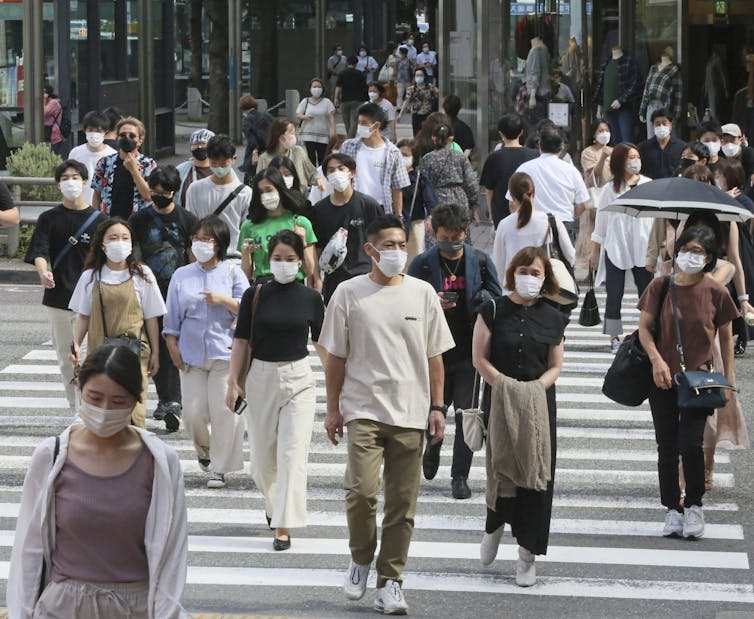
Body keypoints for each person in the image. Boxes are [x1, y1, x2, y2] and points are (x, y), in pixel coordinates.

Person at [320, 215, 454, 614]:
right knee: (361, 491)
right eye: (389, 245)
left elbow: (435, 357)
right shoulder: (348, 292)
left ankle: (390, 580)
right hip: (363, 408)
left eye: (401, 244)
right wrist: (332, 409)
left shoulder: (423, 293)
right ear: (371, 250)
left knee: (402, 504)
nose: (397, 251)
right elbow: (335, 357)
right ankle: (361, 556)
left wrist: (436, 407)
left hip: (411, 411)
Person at [7, 344, 188, 619]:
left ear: (136, 399)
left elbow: (173, 553)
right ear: (79, 386)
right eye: (95, 397)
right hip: (63, 607)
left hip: (135, 608)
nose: (105, 410)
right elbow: (29, 548)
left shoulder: (160, 462)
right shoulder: (51, 456)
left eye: (118, 402)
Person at [472, 246, 568, 587]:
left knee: (537, 476)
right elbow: (479, 357)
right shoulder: (493, 309)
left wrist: (535, 389)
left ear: (546, 279)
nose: (529, 277)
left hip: (539, 403)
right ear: (512, 273)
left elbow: (556, 364)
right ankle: (494, 526)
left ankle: (527, 555)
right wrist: (505, 386)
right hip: (500, 397)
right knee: (502, 469)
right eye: (523, 271)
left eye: (536, 273)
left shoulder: (554, 315)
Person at [227, 229, 326, 551]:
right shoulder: (255, 295)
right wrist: (233, 382)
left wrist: (340, 387)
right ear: (268, 260)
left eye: (290, 259)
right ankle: (274, 506)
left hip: (298, 378)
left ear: (300, 262)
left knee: (292, 455)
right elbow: (241, 341)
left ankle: (283, 525)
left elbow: (323, 345)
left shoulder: (311, 299)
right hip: (260, 377)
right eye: (278, 259)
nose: (284, 264)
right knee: (261, 462)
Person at [638, 226, 738, 540]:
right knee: (666, 446)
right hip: (662, 378)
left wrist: (728, 378)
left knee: (691, 444)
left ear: (709, 258)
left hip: (700, 380)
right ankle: (672, 509)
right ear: (677, 250)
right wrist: (656, 360)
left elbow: (726, 336)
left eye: (698, 252)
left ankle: (694, 504)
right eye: (686, 249)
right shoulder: (660, 286)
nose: (690, 256)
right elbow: (644, 328)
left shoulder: (716, 292)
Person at [408, 204, 501, 499]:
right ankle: (432, 448)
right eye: (444, 237)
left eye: (456, 236)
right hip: (433, 351)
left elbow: (498, 299)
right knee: (433, 409)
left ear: (465, 232)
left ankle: (459, 475)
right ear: (435, 233)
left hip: (468, 351)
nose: (450, 243)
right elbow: (406, 301)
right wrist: (429, 301)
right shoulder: (422, 263)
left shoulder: (481, 261)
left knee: (466, 414)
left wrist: (482, 299)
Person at [164, 215, 248, 489]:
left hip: (225, 354)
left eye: (207, 239)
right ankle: (205, 452)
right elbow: (172, 317)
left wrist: (223, 300)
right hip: (191, 356)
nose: (200, 244)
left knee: (225, 413)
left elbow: (248, 311)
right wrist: (171, 344)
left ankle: (219, 469)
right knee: (193, 413)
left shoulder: (233, 272)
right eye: (196, 239)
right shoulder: (181, 274)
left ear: (220, 243)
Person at [24, 160, 106, 411]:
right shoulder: (49, 218)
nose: (71, 182)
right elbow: (39, 250)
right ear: (58, 184)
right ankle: (77, 408)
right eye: (65, 178)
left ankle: (92, 406)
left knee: (94, 357)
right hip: (59, 298)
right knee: (66, 358)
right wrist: (43, 271)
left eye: (76, 177)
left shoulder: (100, 220)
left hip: (92, 299)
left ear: (85, 182)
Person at [69, 218, 167, 428]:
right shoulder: (90, 276)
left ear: (132, 244)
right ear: (102, 244)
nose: (119, 242)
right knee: (104, 410)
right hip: (100, 354)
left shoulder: (142, 274)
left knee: (134, 411)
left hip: (135, 353)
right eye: (113, 238)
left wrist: (156, 353)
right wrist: (76, 343)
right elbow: (83, 316)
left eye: (125, 238)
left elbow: (151, 318)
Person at [129, 165, 197, 431]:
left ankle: (173, 400)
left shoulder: (187, 219)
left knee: (176, 346)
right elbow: (134, 253)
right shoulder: (139, 220)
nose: (159, 196)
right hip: (149, 290)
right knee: (156, 345)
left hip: (179, 291)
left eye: (165, 192)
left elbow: (192, 254)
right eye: (154, 192)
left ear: (174, 192)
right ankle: (169, 400)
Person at [590, 142, 653, 352]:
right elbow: (602, 219)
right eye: (630, 157)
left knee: (646, 292)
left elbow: (656, 220)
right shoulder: (610, 188)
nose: (635, 161)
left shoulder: (648, 184)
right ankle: (614, 337)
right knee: (614, 293)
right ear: (620, 161)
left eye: (637, 156)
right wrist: (595, 249)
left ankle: (648, 334)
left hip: (643, 246)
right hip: (616, 246)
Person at [307, 152, 383, 303]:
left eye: (341, 169)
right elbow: (317, 248)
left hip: (364, 276)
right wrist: (316, 278)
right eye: (331, 170)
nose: (336, 174)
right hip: (334, 279)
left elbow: (381, 242)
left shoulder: (368, 205)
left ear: (352, 173)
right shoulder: (319, 210)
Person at [511, 125, 590, 243]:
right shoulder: (571, 171)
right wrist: (570, 216)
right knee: (565, 261)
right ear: (562, 146)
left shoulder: (525, 168)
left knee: (531, 261)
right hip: (563, 226)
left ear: (540, 145)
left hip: (531, 225)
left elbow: (512, 202)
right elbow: (583, 204)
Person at [493, 172, 575, 283]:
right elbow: (570, 255)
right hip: (544, 289)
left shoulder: (504, 225)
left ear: (511, 197)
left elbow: (498, 266)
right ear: (534, 193)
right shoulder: (551, 221)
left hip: (514, 291)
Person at [239, 167, 317, 283]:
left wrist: (303, 244)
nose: (265, 195)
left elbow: (309, 270)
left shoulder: (300, 223)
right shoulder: (249, 226)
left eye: (269, 190)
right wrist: (245, 254)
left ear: (280, 189)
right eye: (261, 192)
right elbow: (246, 274)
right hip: (264, 285)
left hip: (294, 285)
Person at [184, 134, 252, 259]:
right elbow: (191, 225)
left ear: (233, 159)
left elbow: (247, 230)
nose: (219, 168)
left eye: (223, 163)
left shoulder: (245, 193)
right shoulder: (195, 189)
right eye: (214, 163)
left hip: (233, 257)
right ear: (208, 159)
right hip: (203, 255)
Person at [339, 102, 410, 215]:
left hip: (381, 207)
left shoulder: (393, 153)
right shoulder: (348, 146)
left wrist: (398, 215)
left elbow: (397, 188)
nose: (360, 127)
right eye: (359, 123)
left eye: (364, 123)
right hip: (354, 206)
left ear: (376, 125)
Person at [480, 113, 538, 228]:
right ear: (521, 132)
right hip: (529, 212)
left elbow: (489, 189)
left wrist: (491, 212)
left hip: (501, 213)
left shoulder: (494, 157)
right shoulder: (534, 155)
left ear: (500, 133)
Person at [91, 116, 156, 217]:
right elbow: (97, 195)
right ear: (117, 138)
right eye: (123, 135)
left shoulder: (148, 164)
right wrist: (95, 220)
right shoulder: (104, 162)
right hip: (109, 221)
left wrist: (134, 170)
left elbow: (149, 196)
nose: (127, 138)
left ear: (140, 141)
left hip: (137, 223)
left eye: (132, 135)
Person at [576, 120, 614, 266]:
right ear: (594, 134)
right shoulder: (588, 152)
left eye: (606, 130)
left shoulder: (615, 151)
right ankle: (591, 266)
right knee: (592, 232)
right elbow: (594, 176)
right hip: (595, 198)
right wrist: (603, 157)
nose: (604, 133)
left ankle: (606, 266)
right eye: (600, 131)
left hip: (611, 196)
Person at [420, 123, 478, 216]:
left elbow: (423, 185)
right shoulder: (460, 157)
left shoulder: (427, 158)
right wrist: (474, 205)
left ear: (433, 138)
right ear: (451, 138)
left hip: (437, 200)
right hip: (459, 199)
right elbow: (471, 183)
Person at [397, 138, 438, 261]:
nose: (401, 158)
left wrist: (431, 217)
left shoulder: (420, 178)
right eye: (399, 154)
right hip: (393, 223)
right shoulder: (389, 177)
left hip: (414, 224)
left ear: (414, 158)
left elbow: (431, 201)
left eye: (405, 155)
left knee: (413, 259)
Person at [257, 118, 322, 194]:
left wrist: (319, 181)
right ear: (281, 138)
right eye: (292, 133)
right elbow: (259, 182)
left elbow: (312, 174)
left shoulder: (298, 151)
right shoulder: (264, 158)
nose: (295, 137)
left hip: (300, 199)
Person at [67, 111, 117, 206]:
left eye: (98, 131)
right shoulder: (76, 153)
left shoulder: (112, 154)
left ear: (105, 131)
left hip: (103, 207)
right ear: (85, 130)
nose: (94, 134)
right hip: (79, 206)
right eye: (90, 130)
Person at [636, 108, 686, 179]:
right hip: (650, 186)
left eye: (664, 123)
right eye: (657, 124)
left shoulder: (682, 147)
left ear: (671, 125)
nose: (661, 126)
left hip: (673, 186)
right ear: (653, 126)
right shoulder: (643, 147)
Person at [296, 78, 336, 166]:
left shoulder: (327, 102)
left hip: (323, 134)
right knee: (311, 157)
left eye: (319, 87)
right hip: (308, 134)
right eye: (314, 86)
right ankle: (313, 176)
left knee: (323, 156)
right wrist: (305, 117)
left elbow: (331, 117)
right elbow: (298, 114)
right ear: (310, 88)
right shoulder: (305, 101)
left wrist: (333, 131)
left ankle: (323, 175)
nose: (316, 89)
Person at [175, 128, 215, 208]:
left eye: (203, 144)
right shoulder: (181, 170)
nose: (199, 147)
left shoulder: (222, 169)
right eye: (195, 144)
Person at [239, 95, 273, 184]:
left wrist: (255, 152)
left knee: (252, 179)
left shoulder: (247, 120)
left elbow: (252, 141)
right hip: (270, 151)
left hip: (257, 153)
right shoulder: (267, 116)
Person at [398, 68, 440, 136]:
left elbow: (439, 96)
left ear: (424, 76)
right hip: (416, 115)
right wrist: (400, 113)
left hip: (428, 115)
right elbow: (406, 101)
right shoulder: (411, 89)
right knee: (417, 134)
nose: (419, 77)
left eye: (421, 75)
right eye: (417, 75)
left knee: (428, 134)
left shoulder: (431, 87)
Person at [334, 56, 368, 139]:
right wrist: (366, 99)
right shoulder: (360, 74)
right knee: (354, 121)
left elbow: (338, 87)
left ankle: (349, 138)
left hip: (345, 100)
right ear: (356, 64)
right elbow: (364, 87)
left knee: (346, 122)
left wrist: (336, 98)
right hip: (358, 100)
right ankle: (350, 138)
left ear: (347, 63)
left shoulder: (342, 73)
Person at [43, 85, 65, 155]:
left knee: (52, 155)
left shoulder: (53, 103)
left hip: (53, 134)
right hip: (47, 134)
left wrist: (43, 101)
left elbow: (44, 113)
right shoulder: (47, 102)